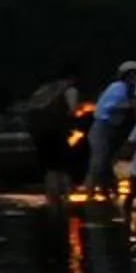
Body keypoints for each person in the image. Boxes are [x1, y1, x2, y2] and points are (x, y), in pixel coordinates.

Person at [17, 67, 85, 206]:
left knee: (50, 168)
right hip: (57, 132)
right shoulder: (70, 90)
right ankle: (66, 200)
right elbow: (72, 111)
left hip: (38, 133)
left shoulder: (46, 90)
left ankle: (51, 201)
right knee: (63, 167)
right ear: (72, 78)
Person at [86, 60, 136, 199]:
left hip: (112, 130)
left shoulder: (126, 89)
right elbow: (113, 107)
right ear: (128, 75)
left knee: (107, 164)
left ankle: (110, 194)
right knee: (98, 164)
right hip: (102, 128)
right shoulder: (118, 88)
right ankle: (90, 195)